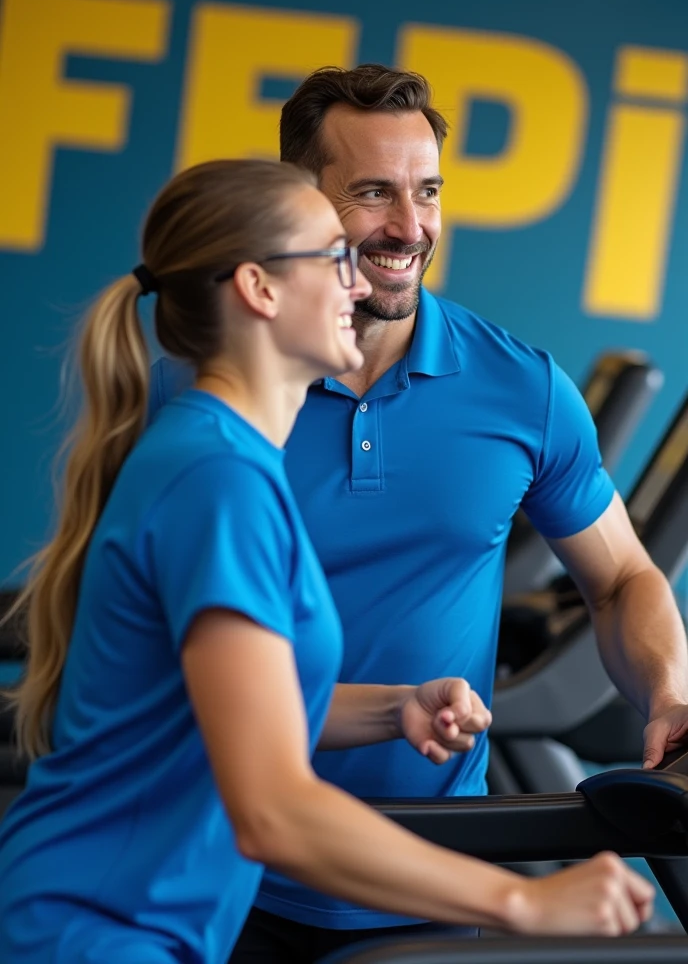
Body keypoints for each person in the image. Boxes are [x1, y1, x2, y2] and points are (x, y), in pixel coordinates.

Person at [0, 159, 654, 963]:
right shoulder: (220, 482)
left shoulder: (228, 460)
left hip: (134, 916)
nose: (358, 283)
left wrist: (396, 708)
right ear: (259, 289)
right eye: (331, 257)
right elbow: (273, 810)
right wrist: (524, 899)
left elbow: (234, 704)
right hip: (99, 929)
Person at [148, 67, 688, 963]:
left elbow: (624, 576)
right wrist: (526, 899)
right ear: (300, 202)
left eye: (427, 191)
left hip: (426, 873)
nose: (409, 227)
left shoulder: (521, 389)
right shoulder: (213, 393)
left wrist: (669, 689)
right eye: (371, 193)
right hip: (212, 868)